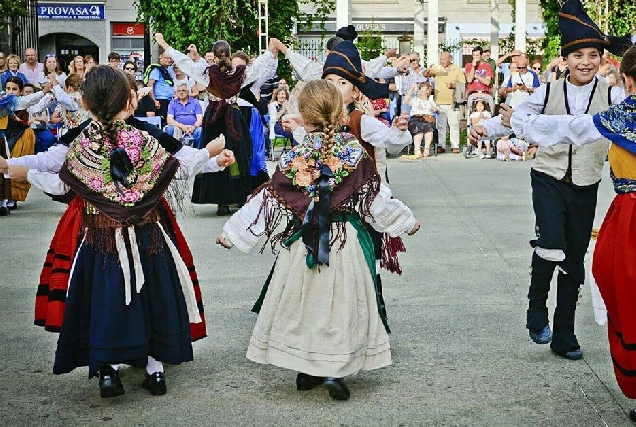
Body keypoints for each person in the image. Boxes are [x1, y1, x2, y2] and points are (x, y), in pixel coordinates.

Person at [0, 65, 234, 398]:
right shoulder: (145, 137)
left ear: (86, 103)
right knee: (155, 297)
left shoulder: (81, 142)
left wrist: (13, 169)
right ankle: (154, 369)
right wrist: (210, 156)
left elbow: (53, 170)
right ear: (128, 99)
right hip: (148, 234)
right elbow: (179, 166)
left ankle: (107, 370)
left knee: (105, 300)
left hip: (100, 238)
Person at [216, 79, 420, 401]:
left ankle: (307, 368)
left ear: (305, 117)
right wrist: (405, 222)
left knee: (305, 303)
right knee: (340, 302)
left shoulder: (295, 156)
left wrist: (233, 233)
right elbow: (377, 200)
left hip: (305, 243)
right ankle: (333, 371)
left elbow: (267, 200)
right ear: (339, 113)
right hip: (346, 242)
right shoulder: (354, 152)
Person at [469, 0, 632, 361]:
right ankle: (535, 308)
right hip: (548, 177)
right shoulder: (547, 91)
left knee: (574, 257)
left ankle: (565, 333)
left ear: (603, 59)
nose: (586, 62)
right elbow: (515, 116)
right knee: (551, 243)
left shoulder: (613, 94)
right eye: (578, 56)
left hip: (586, 183)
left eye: (593, 54)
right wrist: (484, 127)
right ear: (564, 59)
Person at [154, 32, 278, 215]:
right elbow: (259, 66)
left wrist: (164, 44)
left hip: (214, 118)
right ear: (229, 54)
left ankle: (221, 201)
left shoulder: (207, 73)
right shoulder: (241, 73)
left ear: (214, 54)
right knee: (237, 153)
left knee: (214, 153)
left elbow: (183, 62)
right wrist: (270, 51)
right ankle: (236, 196)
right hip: (233, 117)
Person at [424, 51, 466, 153]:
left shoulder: (457, 70)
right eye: (441, 59)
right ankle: (441, 145)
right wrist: (428, 69)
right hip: (439, 102)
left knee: (454, 124)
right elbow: (426, 75)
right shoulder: (438, 69)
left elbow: (463, 85)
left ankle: (455, 145)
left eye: (444, 59)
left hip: (452, 102)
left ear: (450, 59)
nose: (442, 61)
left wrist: (453, 85)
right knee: (441, 125)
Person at [402, 81, 438, 159]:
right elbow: (405, 101)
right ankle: (417, 149)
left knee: (429, 128)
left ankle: (426, 149)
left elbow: (437, 110)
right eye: (420, 89)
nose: (421, 91)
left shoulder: (431, 100)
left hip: (427, 118)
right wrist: (411, 89)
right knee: (419, 128)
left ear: (428, 91)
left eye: (423, 89)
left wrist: (435, 109)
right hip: (416, 118)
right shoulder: (415, 99)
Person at [165, 83, 203, 148]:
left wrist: (193, 127)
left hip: (192, 128)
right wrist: (182, 126)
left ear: (188, 92)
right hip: (178, 128)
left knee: (200, 130)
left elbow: (200, 119)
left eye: (183, 90)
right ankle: (173, 152)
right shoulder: (173, 103)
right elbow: (169, 120)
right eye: (179, 91)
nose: (181, 92)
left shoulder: (195, 102)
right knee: (169, 129)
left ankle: (197, 153)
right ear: (176, 93)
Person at [465, 46, 495, 114]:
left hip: (485, 92)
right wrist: (473, 67)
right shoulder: (468, 66)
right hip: (473, 92)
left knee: (490, 102)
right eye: (474, 55)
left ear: (481, 55)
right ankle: (470, 121)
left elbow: (487, 82)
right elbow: (469, 79)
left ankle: (490, 118)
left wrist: (477, 76)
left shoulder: (487, 66)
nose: (475, 57)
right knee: (470, 102)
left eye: (477, 55)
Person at [146, 52, 174, 120]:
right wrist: (154, 100)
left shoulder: (169, 69)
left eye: (170, 58)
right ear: (160, 58)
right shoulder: (156, 69)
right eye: (166, 58)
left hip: (170, 100)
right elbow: (150, 84)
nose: (169, 60)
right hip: (160, 100)